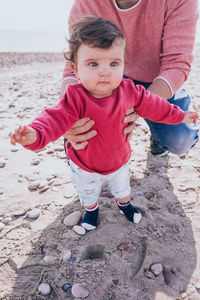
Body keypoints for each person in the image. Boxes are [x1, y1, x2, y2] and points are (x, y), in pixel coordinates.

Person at [10, 17, 198, 231]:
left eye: (113, 63)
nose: (105, 71)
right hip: (85, 165)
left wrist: (180, 115)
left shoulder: (129, 91)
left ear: (123, 65)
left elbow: (157, 106)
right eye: (93, 63)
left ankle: (124, 205)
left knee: (123, 189)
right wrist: (33, 134)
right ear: (75, 68)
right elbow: (53, 119)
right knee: (88, 194)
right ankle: (91, 212)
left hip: (119, 162)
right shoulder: (75, 97)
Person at [61, 0, 199, 156]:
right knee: (81, 120)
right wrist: (68, 114)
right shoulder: (87, 3)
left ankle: (160, 133)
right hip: (110, 78)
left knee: (180, 140)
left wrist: (138, 106)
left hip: (158, 79)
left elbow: (176, 64)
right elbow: (73, 68)